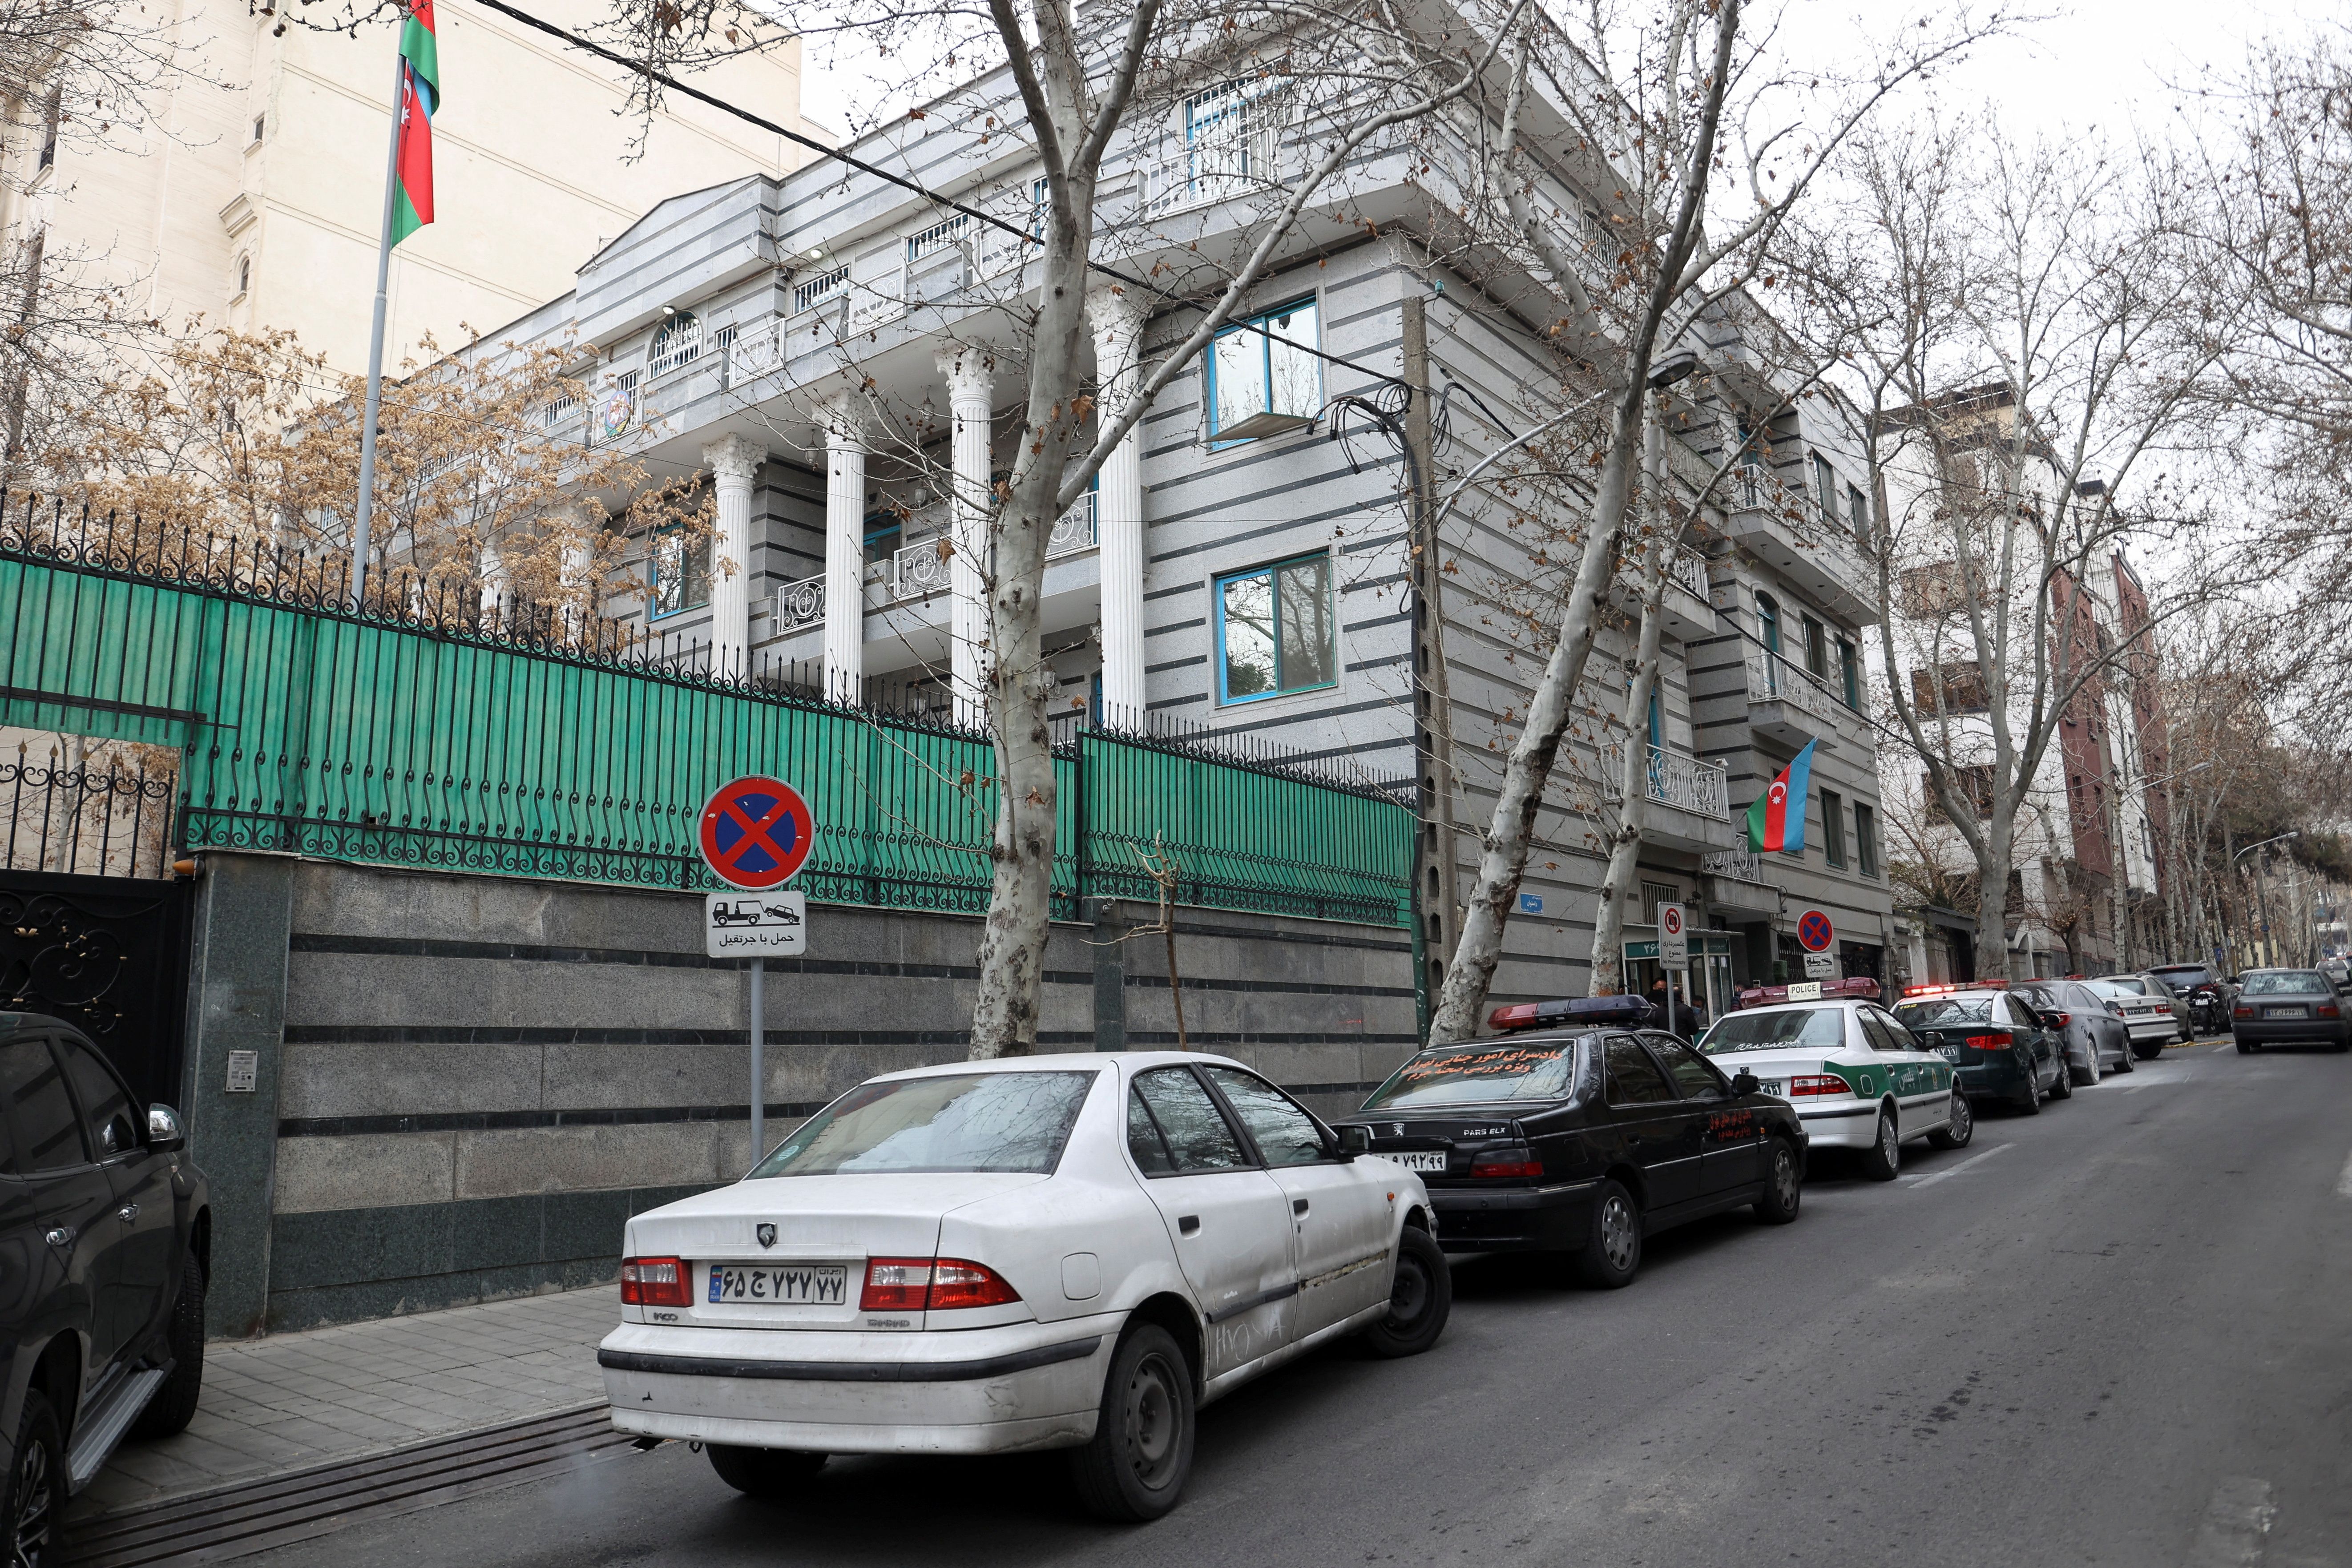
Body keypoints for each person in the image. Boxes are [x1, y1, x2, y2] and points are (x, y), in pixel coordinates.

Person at [1647, 976, 1701, 1041]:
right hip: (1683, 1045)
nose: (1661, 992)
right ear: (1681, 996)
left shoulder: (1658, 1010)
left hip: (1665, 1046)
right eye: (1660, 989)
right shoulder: (1685, 1010)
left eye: (1664, 990)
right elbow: (1694, 1030)